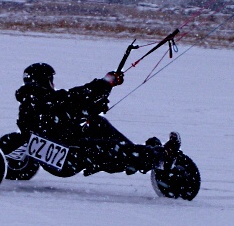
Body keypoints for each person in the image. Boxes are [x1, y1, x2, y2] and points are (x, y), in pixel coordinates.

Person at [15, 62, 181, 176]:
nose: (53, 84)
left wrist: (92, 108)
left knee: (97, 123)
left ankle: (142, 154)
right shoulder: (41, 99)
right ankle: (159, 156)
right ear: (45, 81)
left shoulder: (38, 100)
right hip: (66, 159)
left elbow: (64, 116)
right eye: (51, 80)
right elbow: (75, 98)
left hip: (67, 147)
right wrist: (105, 83)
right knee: (108, 148)